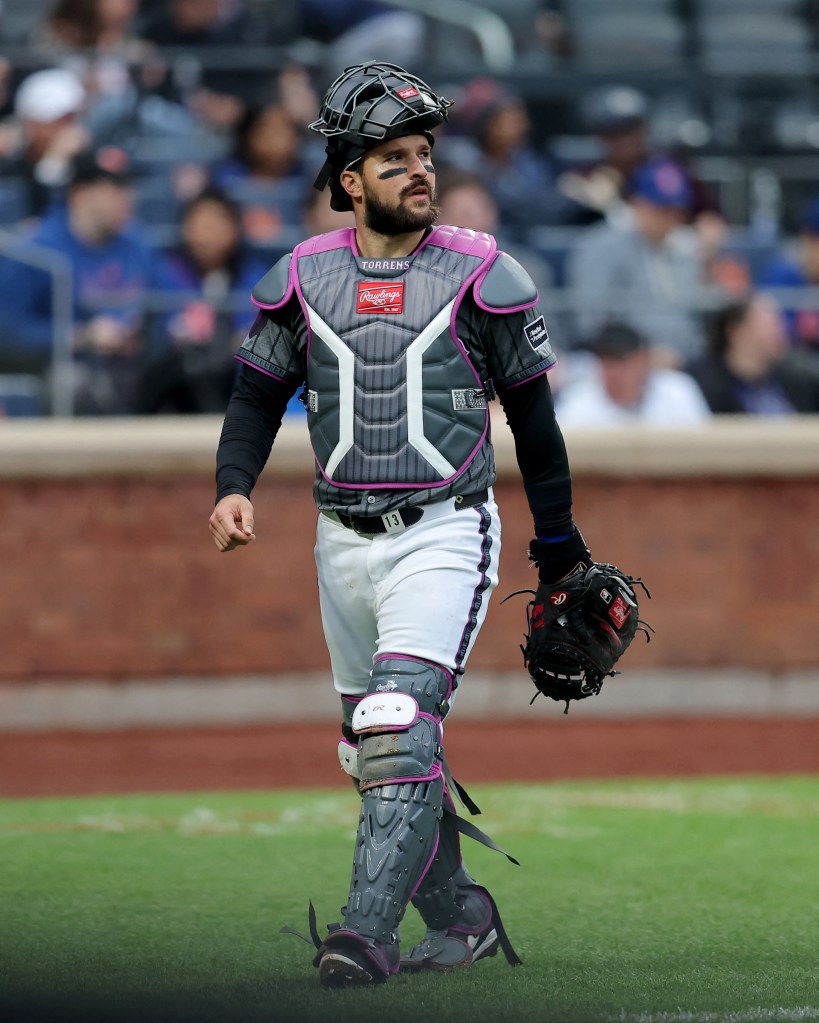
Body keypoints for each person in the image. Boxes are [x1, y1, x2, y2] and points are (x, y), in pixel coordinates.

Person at [207, 60, 606, 987]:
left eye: (424, 153)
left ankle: (363, 935)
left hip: (444, 528)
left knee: (395, 720)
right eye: (395, 158)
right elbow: (255, 395)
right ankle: (462, 916)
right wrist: (233, 485)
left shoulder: (483, 272)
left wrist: (558, 547)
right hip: (338, 539)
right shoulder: (300, 276)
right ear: (350, 180)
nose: (419, 170)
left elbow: (534, 422)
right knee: (370, 749)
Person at [0, 149, 151, 412]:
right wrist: (82, 336)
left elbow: (168, 301)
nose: (127, 198)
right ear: (79, 194)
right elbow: (8, 329)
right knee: (74, 383)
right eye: (114, 189)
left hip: (133, 364)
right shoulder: (36, 251)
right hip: (66, 369)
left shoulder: (137, 243)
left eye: (128, 188)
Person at [566, 156, 710, 366]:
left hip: (680, 363)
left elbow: (693, 319)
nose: (672, 219)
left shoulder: (684, 249)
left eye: (677, 211)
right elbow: (591, 321)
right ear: (637, 204)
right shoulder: (603, 246)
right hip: (617, 363)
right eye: (663, 210)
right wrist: (643, 355)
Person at [136, 187, 267, 413]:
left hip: (232, 379)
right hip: (177, 382)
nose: (207, 234)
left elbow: (255, 331)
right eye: (200, 224)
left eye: (216, 224)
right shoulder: (167, 273)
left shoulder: (254, 275)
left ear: (234, 229)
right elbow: (159, 334)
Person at [554, 322, 711, 426]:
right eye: (607, 364)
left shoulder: (678, 391)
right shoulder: (578, 401)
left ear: (643, 361)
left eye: (622, 362)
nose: (614, 373)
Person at [686, 293, 819, 415]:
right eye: (769, 324)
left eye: (779, 324)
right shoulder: (703, 388)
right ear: (734, 331)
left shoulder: (796, 379)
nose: (780, 332)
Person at [0, 67, 89, 222]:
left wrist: (54, 163)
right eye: (57, 120)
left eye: (70, 119)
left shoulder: (86, 165)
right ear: (29, 122)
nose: (66, 128)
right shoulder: (9, 161)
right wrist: (51, 165)